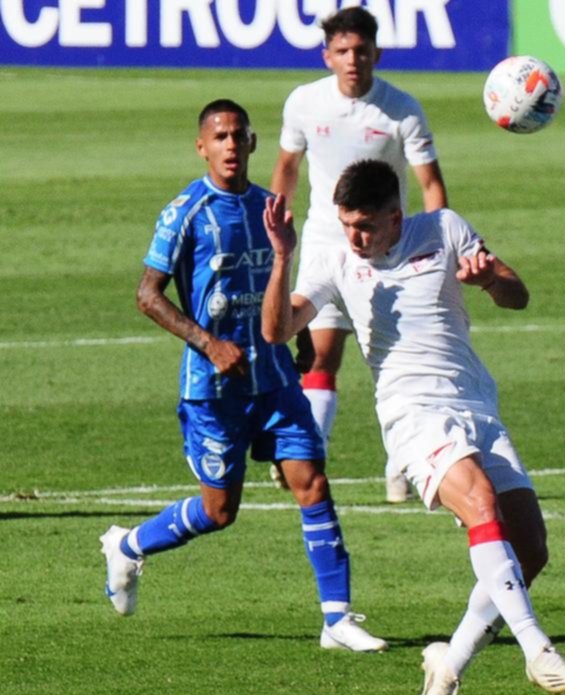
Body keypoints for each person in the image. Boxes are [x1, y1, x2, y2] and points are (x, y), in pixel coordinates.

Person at [262, 159, 565, 695]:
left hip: (477, 405)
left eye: (366, 226)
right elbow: (277, 330)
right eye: (346, 224)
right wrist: (283, 257)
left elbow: (519, 295)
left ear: (395, 216)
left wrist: (487, 279)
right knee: (481, 503)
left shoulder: (443, 230)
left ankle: (450, 660)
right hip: (412, 413)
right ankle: (537, 649)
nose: (355, 238)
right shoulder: (333, 257)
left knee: (531, 549)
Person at [99, 99, 386, 655]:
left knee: (313, 483)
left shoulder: (270, 208)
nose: (231, 145)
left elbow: (275, 283)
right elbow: (147, 295)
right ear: (202, 147)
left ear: (253, 143)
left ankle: (336, 619)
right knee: (219, 511)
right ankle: (129, 544)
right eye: (220, 136)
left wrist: (298, 333)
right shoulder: (185, 211)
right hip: (214, 390)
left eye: (239, 136)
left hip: (275, 379)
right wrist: (208, 343)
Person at [270, 6, 448, 503]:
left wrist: (435, 246)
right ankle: (310, 455)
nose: (353, 60)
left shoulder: (402, 108)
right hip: (329, 243)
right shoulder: (305, 103)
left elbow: (431, 185)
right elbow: (286, 167)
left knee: (396, 358)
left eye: (362, 51)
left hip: (390, 250)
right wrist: (275, 223)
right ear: (327, 56)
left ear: (377, 53)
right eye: (343, 51)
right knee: (323, 352)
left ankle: (405, 465)